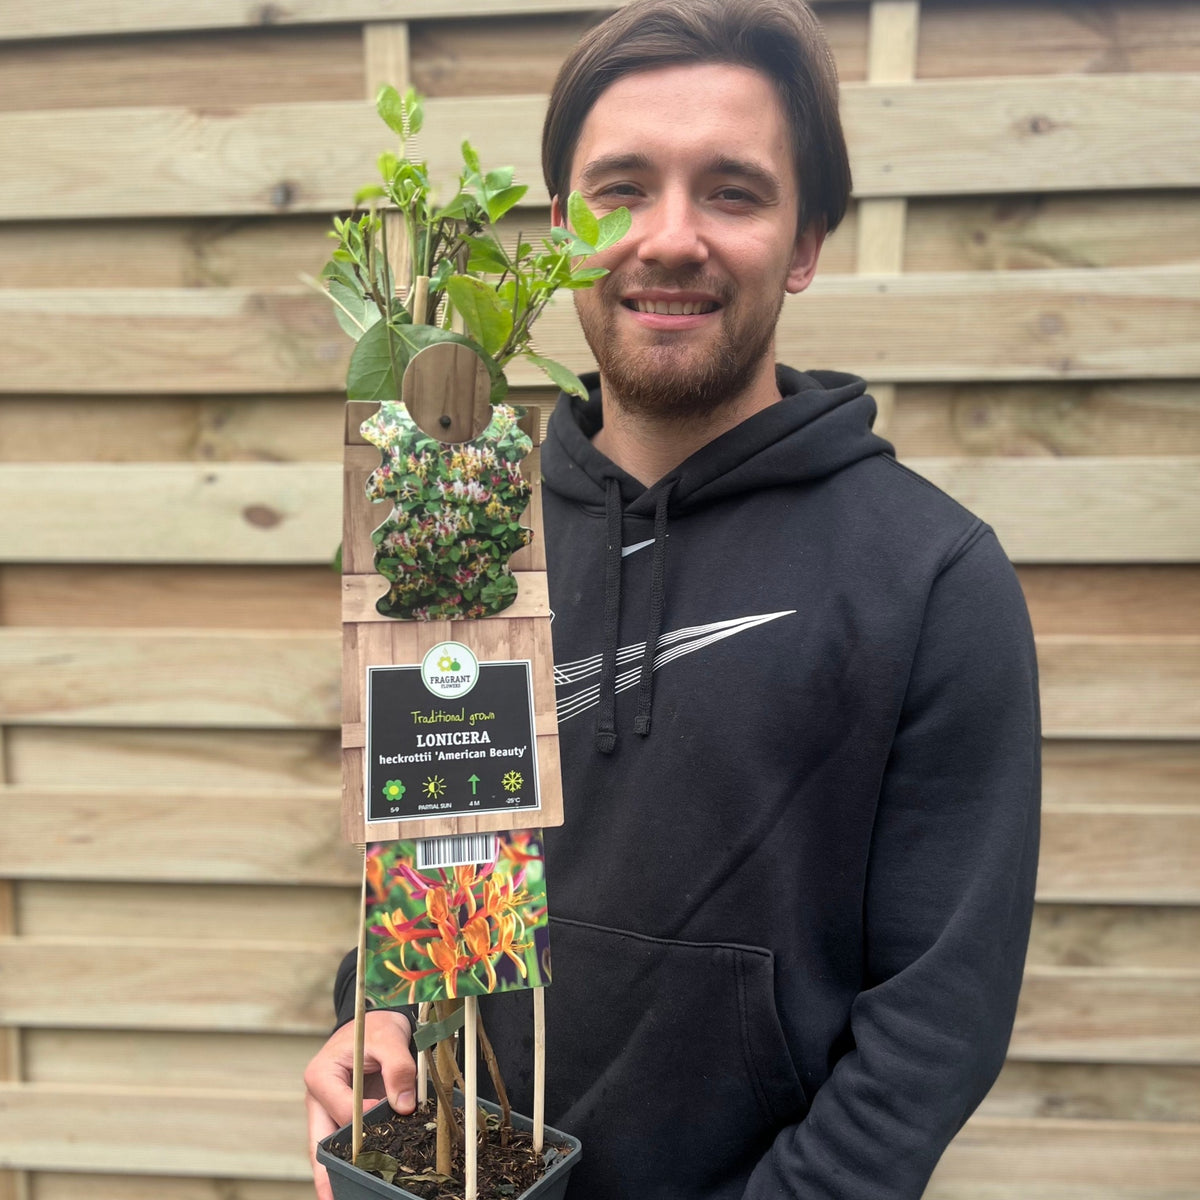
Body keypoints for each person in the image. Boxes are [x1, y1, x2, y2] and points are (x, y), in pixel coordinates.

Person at [305, 1, 1041, 1196]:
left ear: (805, 244)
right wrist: (373, 1018)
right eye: (622, 191)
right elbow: (432, 849)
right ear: (559, 233)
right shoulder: (462, 531)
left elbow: (936, 1023)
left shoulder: (931, 577)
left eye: (733, 192)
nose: (671, 238)